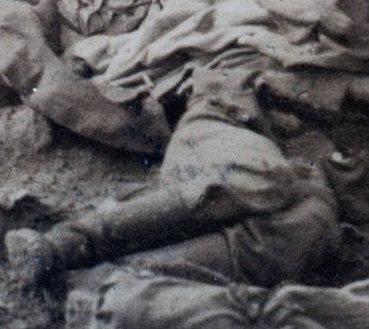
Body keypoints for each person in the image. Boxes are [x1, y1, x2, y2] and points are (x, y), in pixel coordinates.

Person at [20, 67, 339, 291]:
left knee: (307, 226)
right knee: (263, 179)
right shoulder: (249, 47)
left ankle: (108, 282)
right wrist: (349, 86)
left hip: (282, 182)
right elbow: (271, 82)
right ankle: (63, 245)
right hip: (222, 126)